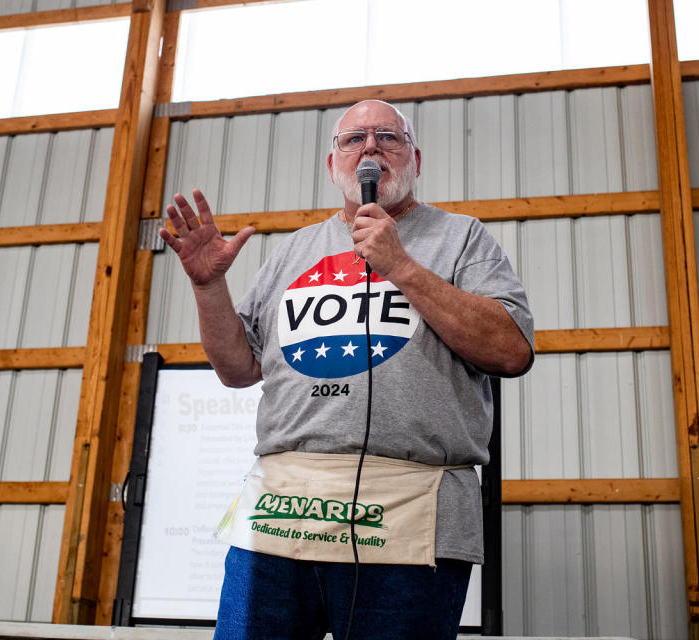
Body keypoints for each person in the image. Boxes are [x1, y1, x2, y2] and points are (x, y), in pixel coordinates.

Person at [159, 100, 534, 640]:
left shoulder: (463, 238)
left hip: (408, 518)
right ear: (333, 164)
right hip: (281, 517)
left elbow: (511, 351)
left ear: (416, 158)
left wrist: (400, 265)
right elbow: (239, 369)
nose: (370, 148)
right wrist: (207, 286)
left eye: (388, 136)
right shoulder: (295, 250)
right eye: (353, 140)